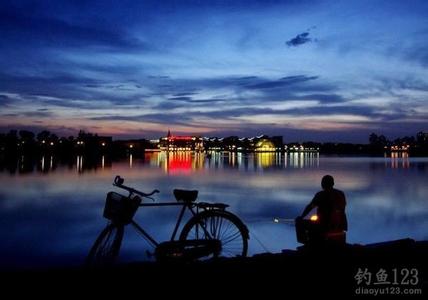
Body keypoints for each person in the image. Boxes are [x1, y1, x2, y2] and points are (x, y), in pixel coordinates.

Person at [297, 175, 347, 245]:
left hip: (325, 225)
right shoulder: (341, 194)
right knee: (314, 220)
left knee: (299, 221)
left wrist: (302, 217)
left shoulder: (320, 195)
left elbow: (310, 207)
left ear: (322, 184)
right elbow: (342, 208)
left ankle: (307, 243)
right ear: (333, 184)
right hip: (340, 225)